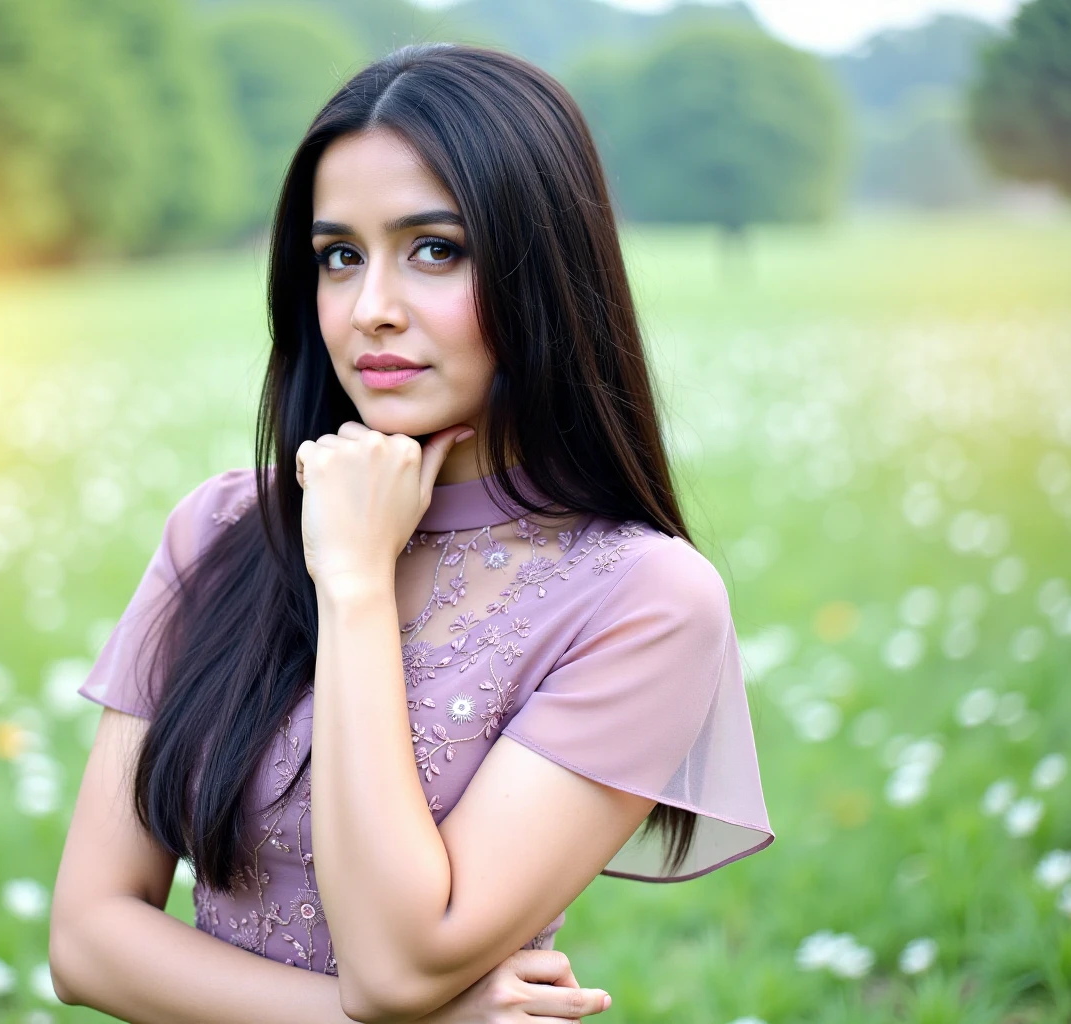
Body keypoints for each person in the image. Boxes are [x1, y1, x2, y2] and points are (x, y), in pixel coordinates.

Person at [50, 40, 774, 1023]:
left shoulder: (640, 600)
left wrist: (352, 582)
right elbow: (89, 938)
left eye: (435, 249)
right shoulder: (220, 528)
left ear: (541, 268)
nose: (371, 310)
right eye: (339, 256)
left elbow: (397, 963)